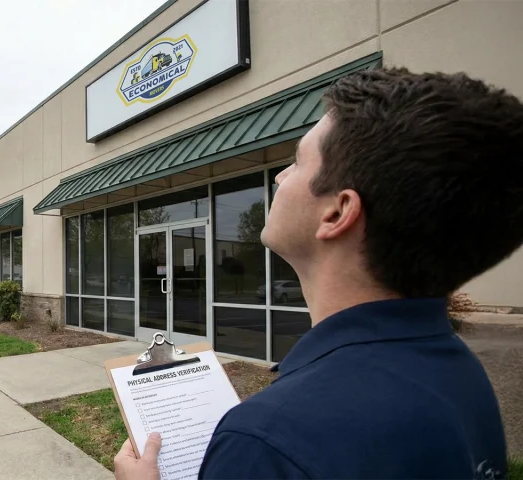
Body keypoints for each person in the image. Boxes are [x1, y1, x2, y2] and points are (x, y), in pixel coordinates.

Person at [116, 67, 522, 479]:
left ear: (338, 212)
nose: (279, 176)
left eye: (296, 161)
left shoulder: (265, 441)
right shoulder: (462, 376)